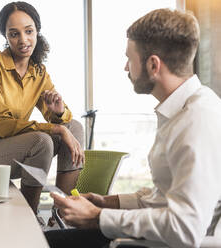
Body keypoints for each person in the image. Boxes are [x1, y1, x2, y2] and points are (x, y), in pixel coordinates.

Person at [46, 8, 221, 248]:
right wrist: (106, 202)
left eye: (130, 58)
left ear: (153, 65)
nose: (126, 68)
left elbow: (185, 228)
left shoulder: (197, 120)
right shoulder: (179, 111)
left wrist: (97, 217)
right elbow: (164, 196)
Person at [0, 1, 84, 217]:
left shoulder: (38, 72)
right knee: (42, 141)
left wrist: (58, 113)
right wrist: (58, 129)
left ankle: (64, 215)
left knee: (74, 127)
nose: (23, 40)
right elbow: (2, 125)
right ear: (5, 36)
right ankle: (29, 217)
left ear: (37, 31)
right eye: (14, 34)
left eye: (29, 31)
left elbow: (60, 118)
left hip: (3, 149)